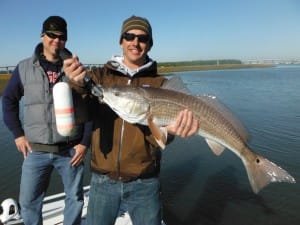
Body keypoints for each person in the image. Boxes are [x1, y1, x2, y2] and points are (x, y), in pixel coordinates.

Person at [63, 15, 198, 225]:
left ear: (150, 44)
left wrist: (171, 132)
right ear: (121, 41)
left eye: (143, 38)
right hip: (102, 179)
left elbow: (161, 139)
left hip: (145, 181)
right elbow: (80, 113)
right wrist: (76, 84)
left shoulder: (161, 84)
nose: (135, 42)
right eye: (129, 36)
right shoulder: (100, 77)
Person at [2, 16, 92, 225]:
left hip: (71, 150)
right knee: (28, 202)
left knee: (75, 199)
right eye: (51, 35)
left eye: (61, 37)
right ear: (42, 35)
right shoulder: (24, 68)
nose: (56, 40)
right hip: (36, 151)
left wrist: (84, 142)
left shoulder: (75, 68)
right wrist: (18, 135)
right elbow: (8, 101)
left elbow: (90, 106)